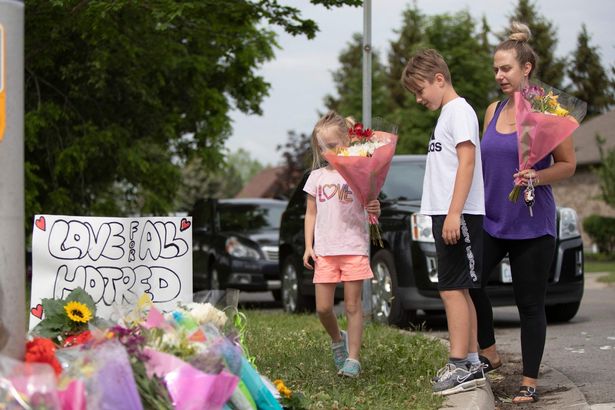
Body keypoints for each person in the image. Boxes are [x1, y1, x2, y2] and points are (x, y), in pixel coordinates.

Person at [469, 22, 577, 405]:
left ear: (526, 68)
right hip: (493, 220)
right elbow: (483, 166)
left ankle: (529, 383)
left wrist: (537, 174)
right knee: (471, 282)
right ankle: (490, 352)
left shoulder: (549, 111)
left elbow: (568, 165)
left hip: (532, 224)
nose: (498, 76)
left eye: (505, 69)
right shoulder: (492, 110)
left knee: (530, 304)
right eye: (496, 69)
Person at [401, 49, 486, 396]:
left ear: (439, 79)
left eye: (421, 90)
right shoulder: (447, 115)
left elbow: (466, 164)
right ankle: (472, 361)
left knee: (452, 289)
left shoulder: (459, 112)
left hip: (458, 214)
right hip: (446, 212)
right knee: (458, 288)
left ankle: (460, 365)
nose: (419, 98)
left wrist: (453, 213)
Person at [302, 111, 381, 378]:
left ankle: (354, 359)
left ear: (347, 141)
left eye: (333, 146)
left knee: (352, 305)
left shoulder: (359, 173)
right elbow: (310, 213)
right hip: (325, 250)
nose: (327, 152)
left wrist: (374, 207)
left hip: (353, 248)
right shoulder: (316, 178)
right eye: (323, 148)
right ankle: (338, 339)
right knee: (323, 308)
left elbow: (371, 206)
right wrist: (308, 245)